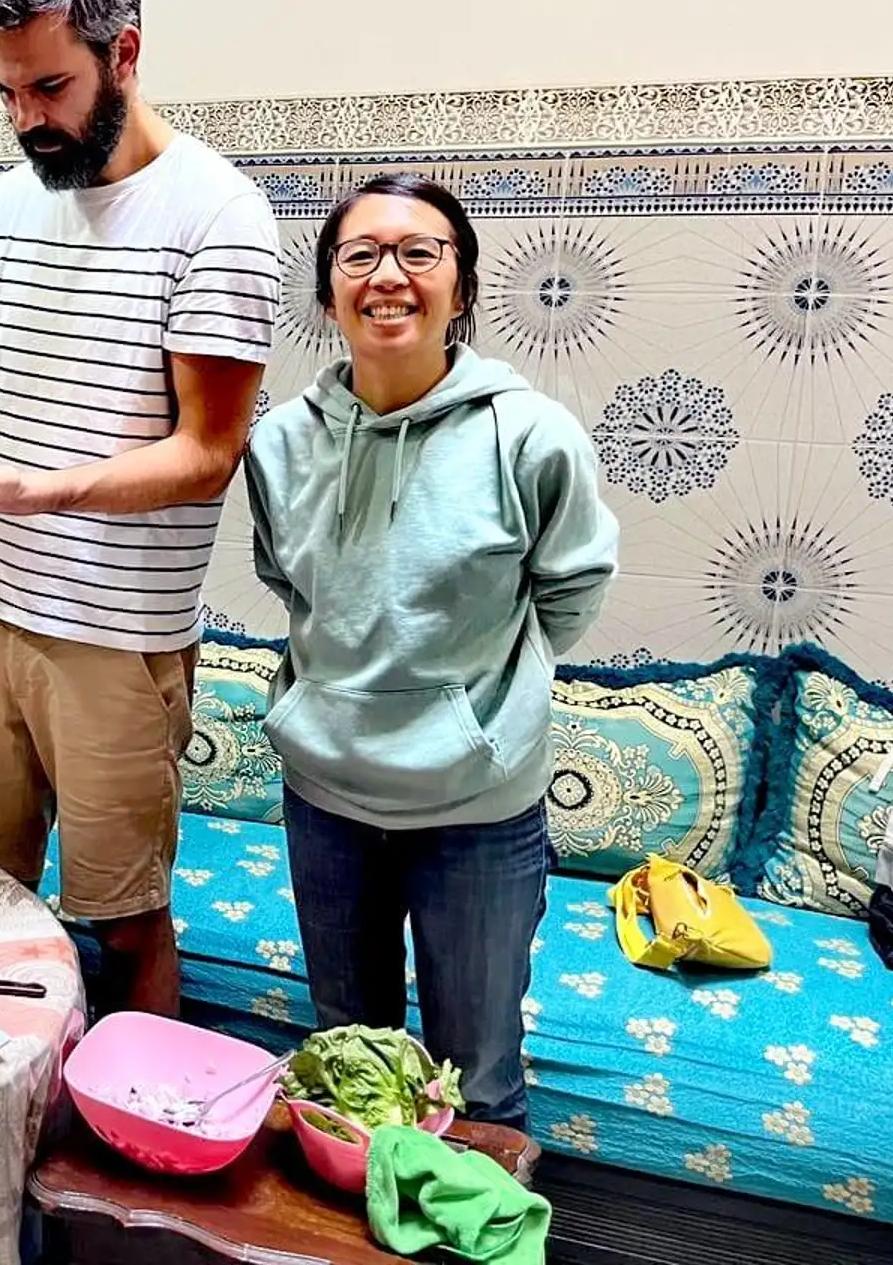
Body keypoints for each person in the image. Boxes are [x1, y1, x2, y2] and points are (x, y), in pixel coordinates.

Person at [0, 0, 277, 1017]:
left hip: (118, 637)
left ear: (123, 53)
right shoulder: (4, 205)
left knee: (124, 918)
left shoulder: (219, 216)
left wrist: (39, 491)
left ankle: (126, 1122)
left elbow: (208, 455)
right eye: (4, 92)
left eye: (48, 88)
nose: (25, 119)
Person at [245, 172, 620, 1130]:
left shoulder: (529, 436)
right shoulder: (279, 444)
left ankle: (475, 1212)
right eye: (360, 255)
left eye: (419, 253)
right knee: (347, 1068)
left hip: (477, 808)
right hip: (327, 797)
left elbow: (570, 589)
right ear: (328, 290)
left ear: (462, 287)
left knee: (478, 1078)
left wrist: (479, 712)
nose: (389, 277)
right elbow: (291, 582)